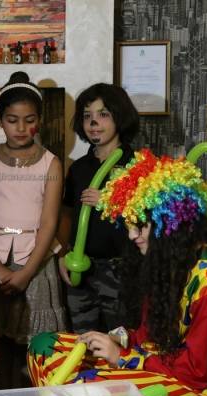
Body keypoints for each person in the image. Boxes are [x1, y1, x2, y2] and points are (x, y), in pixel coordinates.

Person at [28, 149, 207, 396]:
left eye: (139, 225)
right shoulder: (165, 258)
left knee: (85, 385)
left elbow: (199, 371)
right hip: (152, 361)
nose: (132, 235)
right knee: (43, 347)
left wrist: (123, 357)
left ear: (170, 223)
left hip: (192, 386)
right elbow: (149, 335)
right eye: (128, 225)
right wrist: (119, 339)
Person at [0, 71, 67, 388]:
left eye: (30, 120)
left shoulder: (51, 164)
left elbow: (49, 222)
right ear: (0, 120)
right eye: (13, 120)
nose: (21, 128)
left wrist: (26, 273)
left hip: (37, 262)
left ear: (39, 120)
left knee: (36, 347)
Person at [57, 83, 139, 333]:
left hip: (122, 269)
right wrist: (62, 255)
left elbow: (151, 218)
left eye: (103, 114)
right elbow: (67, 215)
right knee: (82, 340)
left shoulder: (138, 166)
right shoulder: (78, 168)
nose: (93, 123)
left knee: (121, 340)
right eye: (87, 116)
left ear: (119, 116)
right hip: (81, 267)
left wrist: (111, 202)